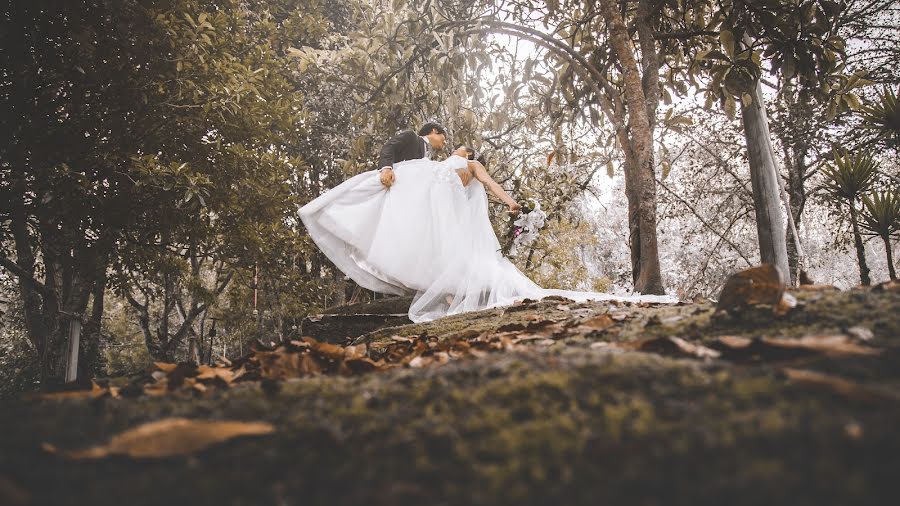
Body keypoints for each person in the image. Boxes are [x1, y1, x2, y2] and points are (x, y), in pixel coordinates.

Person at [298, 131, 675, 323]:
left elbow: (490, 185)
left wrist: (512, 203)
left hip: (441, 214)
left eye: (462, 149)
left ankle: (451, 297)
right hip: (436, 220)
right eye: (455, 147)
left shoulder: (467, 167)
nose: (456, 150)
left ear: (469, 156)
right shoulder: (436, 169)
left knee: (476, 272)